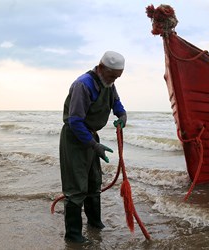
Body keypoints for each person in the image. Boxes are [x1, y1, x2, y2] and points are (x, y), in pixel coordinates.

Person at [59, 51, 127, 243]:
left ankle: (95, 223)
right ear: (101, 68)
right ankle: (73, 236)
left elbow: (117, 103)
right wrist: (94, 145)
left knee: (93, 182)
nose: (114, 80)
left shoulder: (109, 83)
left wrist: (122, 115)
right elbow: (75, 121)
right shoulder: (83, 84)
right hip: (75, 138)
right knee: (76, 188)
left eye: (118, 77)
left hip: (90, 137)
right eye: (113, 76)